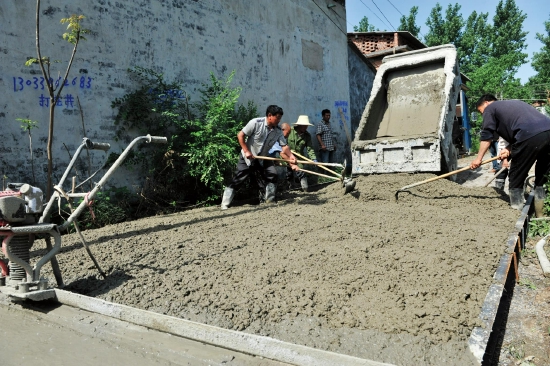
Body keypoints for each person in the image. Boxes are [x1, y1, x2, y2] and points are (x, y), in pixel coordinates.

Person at [470, 94, 550, 215]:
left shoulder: (490, 108)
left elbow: (487, 136)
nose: (483, 115)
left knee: (516, 177)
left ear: (486, 103)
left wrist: (478, 159)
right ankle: (541, 215)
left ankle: (516, 214)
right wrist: (509, 148)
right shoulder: (514, 104)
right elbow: (523, 127)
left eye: (481, 112)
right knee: (542, 177)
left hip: (529, 135)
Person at [220, 105, 297, 210]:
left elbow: (284, 146)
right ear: (270, 115)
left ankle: (270, 200)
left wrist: (291, 157)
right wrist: (247, 151)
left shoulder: (278, 131)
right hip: (248, 157)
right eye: (277, 118)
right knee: (239, 178)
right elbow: (240, 135)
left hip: (263, 158)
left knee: (272, 174)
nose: (279, 120)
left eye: (280, 118)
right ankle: (225, 204)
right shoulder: (256, 123)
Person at [282, 115, 317, 192]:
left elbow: (310, 148)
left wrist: (313, 158)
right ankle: (291, 189)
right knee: (289, 174)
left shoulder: (307, 136)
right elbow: (283, 143)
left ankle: (305, 189)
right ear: (299, 125)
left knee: (301, 172)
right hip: (287, 156)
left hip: (298, 158)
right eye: (304, 126)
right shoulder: (290, 131)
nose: (305, 127)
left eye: (306, 126)